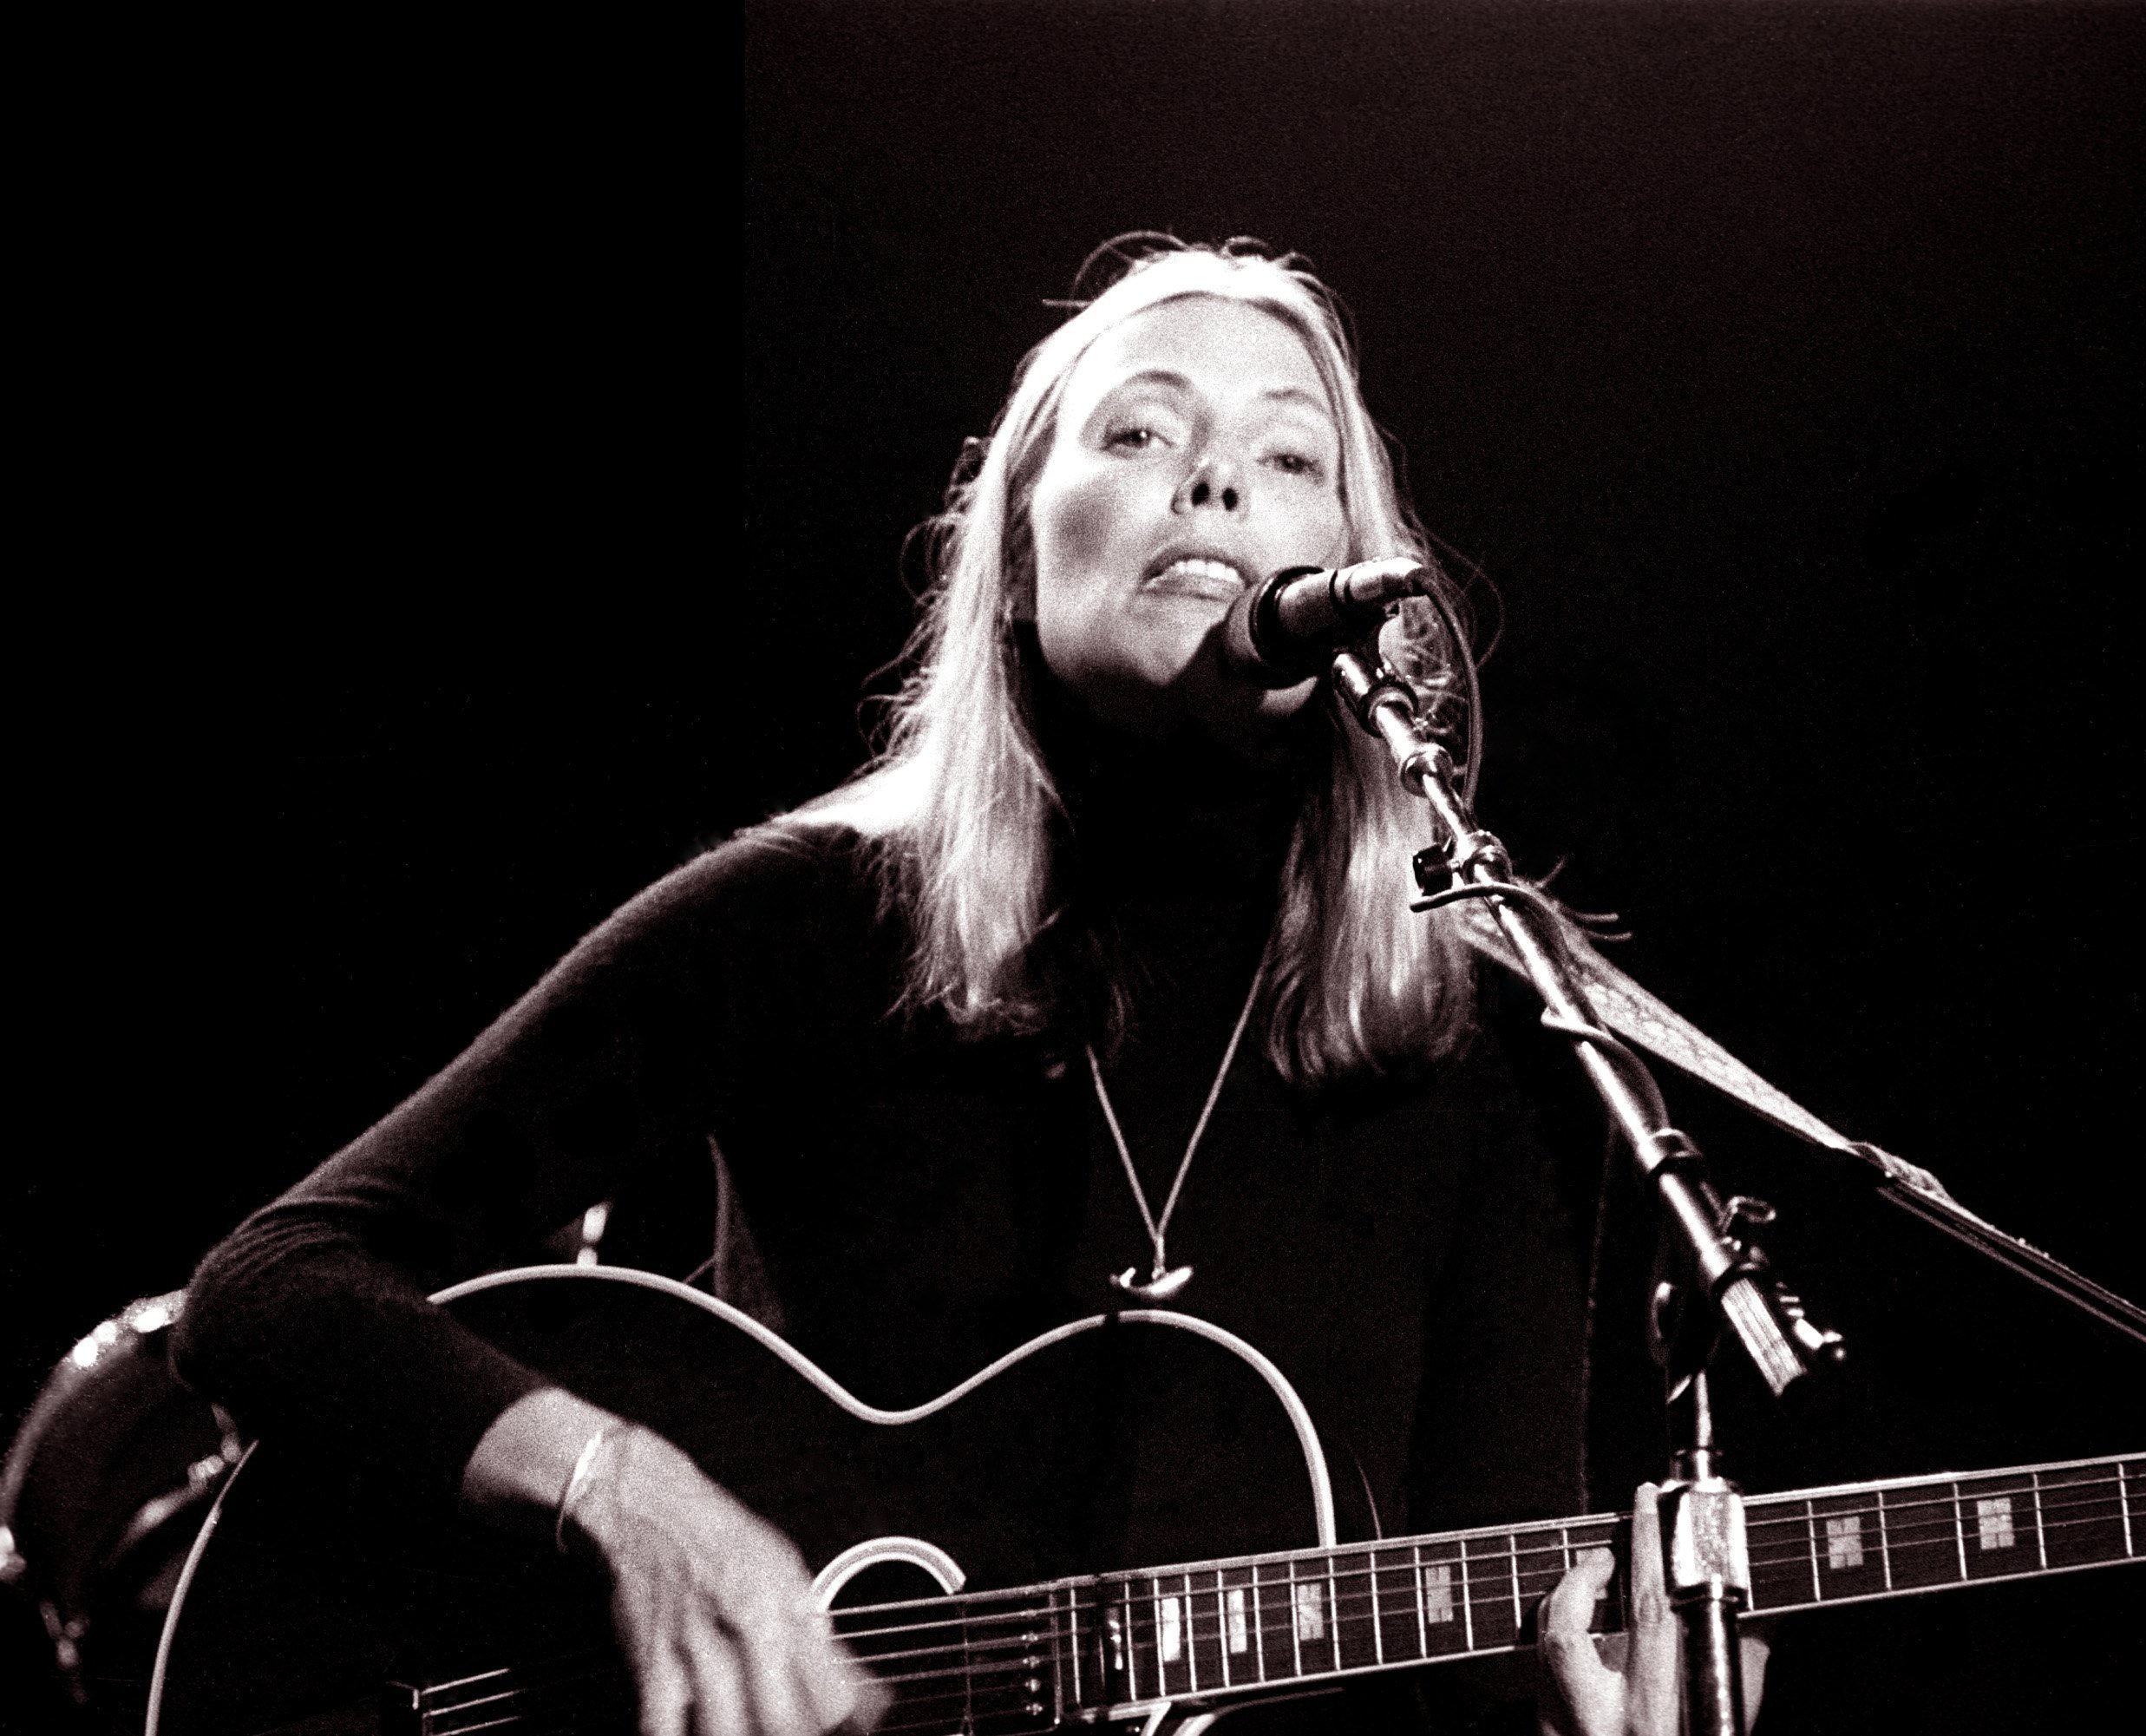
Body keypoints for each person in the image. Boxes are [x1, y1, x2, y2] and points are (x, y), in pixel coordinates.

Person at [177, 238, 1745, 1735]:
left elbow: (1488, 1627)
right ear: (1011, 556)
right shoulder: (811, 919)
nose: (1216, 479)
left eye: (1290, 457)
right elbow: (273, 1286)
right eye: (1140, 429)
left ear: (1354, 585)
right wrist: (622, 1492)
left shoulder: (1502, 1036)